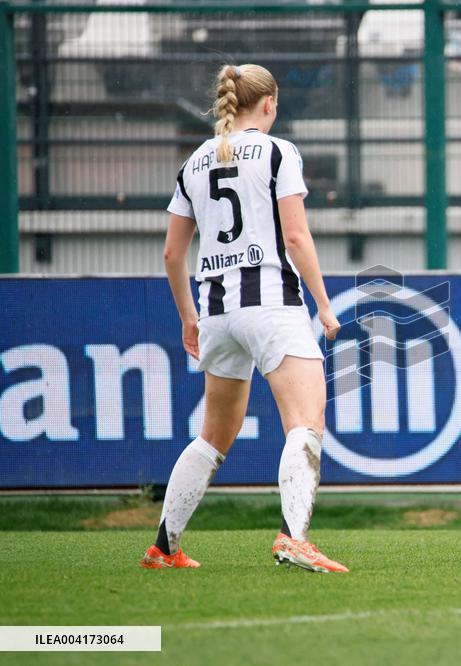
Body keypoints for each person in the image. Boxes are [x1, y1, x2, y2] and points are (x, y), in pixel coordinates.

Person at [142, 64, 347, 573]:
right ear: (270, 104)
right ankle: (293, 538)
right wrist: (322, 303)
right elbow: (296, 238)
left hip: (215, 310)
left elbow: (172, 254)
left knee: (213, 433)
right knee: (305, 421)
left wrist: (188, 318)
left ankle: (164, 548)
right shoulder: (279, 152)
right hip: (272, 304)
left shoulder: (194, 161)